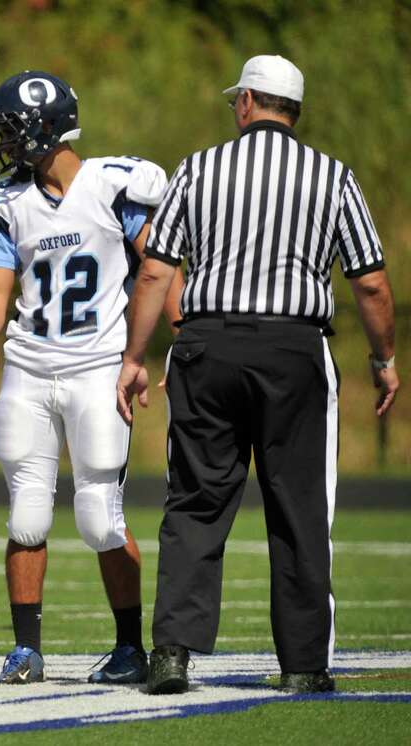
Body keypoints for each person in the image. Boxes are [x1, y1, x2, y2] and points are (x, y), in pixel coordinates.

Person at [116, 55, 397, 694]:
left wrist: (135, 358)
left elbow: (157, 271)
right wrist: (383, 360)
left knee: (195, 499)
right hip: (295, 350)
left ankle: (173, 654)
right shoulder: (333, 176)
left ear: (246, 102)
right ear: (292, 109)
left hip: (208, 347)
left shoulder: (198, 168)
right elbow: (372, 282)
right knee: (298, 506)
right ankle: (302, 665)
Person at [0, 71, 182, 685]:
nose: (6, 144)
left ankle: (128, 648)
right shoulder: (8, 203)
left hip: (97, 367)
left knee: (100, 517)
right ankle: (26, 649)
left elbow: (160, 267)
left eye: (11, 130)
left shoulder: (116, 187)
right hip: (30, 368)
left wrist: (185, 336)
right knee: (27, 516)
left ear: (41, 128)